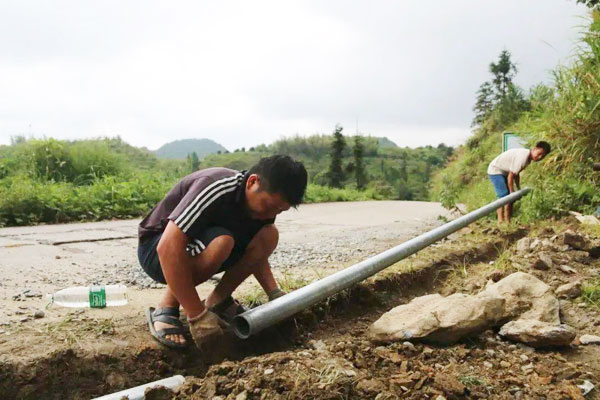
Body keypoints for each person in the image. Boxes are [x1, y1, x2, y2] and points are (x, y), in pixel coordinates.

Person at [137, 155, 308, 349]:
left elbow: (257, 252)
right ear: (252, 182)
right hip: (155, 250)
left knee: (268, 235)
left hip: (196, 247)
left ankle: (217, 302)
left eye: (278, 211)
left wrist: (274, 293)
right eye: (269, 206)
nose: (270, 215)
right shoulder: (216, 187)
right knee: (222, 242)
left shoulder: (261, 209)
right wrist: (197, 315)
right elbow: (167, 247)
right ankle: (166, 307)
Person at [487, 141, 551, 223]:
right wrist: (511, 192)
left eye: (543, 156)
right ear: (534, 149)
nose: (540, 157)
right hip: (495, 170)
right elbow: (511, 176)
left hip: (504, 171)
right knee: (504, 196)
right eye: (539, 153)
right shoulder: (523, 157)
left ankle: (507, 220)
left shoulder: (528, 158)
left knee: (509, 198)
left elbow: (516, 174)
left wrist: (518, 188)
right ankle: (500, 221)